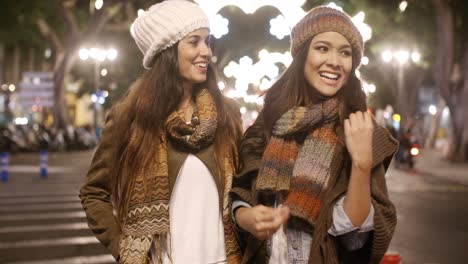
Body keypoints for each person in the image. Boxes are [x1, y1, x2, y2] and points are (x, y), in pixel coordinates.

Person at [231, 6, 398, 264]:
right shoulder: (270, 121)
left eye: (345, 52)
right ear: (302, 54)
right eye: (323, 48)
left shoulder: (359, 127)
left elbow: (354, 240)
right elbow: (241, 191)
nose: (334, 61)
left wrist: (362, 164)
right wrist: (246, 218)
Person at [79, 1, 243, 263]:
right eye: (194, 42)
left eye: (207, 41)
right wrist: (125, 250)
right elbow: (94, 193)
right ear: (167, 50)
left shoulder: (227, 114)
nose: (206, 52)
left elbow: (243, 188)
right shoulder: (129, 117)